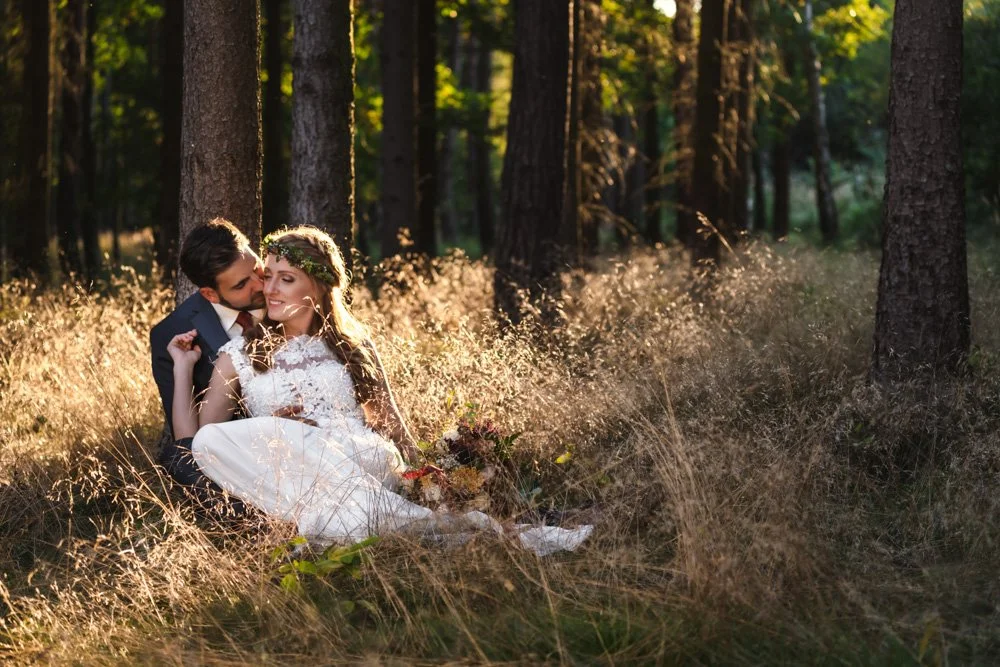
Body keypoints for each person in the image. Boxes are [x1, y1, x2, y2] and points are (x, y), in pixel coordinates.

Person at [168, 226, 591, 552]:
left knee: (340, 507)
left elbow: (391, 421)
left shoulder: (350, 344)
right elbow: (198, 441)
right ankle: (429, 532)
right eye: (270, 277)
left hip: (361, 454)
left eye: (286, 279)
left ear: (316, 288)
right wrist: (184, 370)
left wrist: (427, 478)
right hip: (296, 468)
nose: (269, 289)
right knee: (225, 442)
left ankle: (407, 525)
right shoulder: (241, 352)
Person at [150, 218, 265, 486]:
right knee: (178, 461)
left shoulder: (288, 292)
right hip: (242, 456)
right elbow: (188, 442)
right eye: (240, 285)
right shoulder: (171, 333)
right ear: (210, 294)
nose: (260, 285)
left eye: (256, 269)